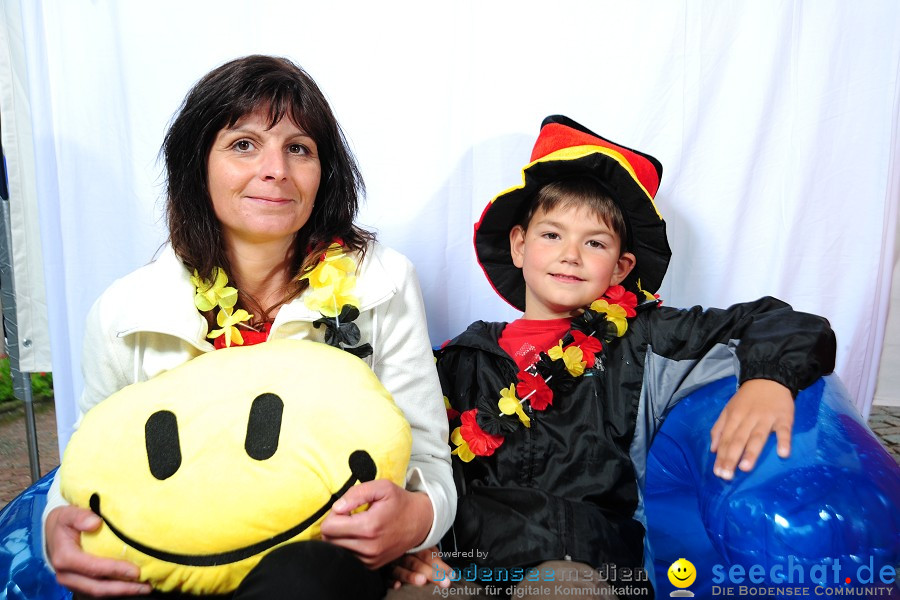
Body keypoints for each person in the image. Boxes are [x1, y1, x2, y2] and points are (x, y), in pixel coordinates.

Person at [41, 55, 455, 599]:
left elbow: (427, 461)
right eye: (243, 144)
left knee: (308, 576)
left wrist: (417, 519)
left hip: (317, 560)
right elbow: (91, 454)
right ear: (197, 166)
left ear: (323, 172)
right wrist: (56, 528)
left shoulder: (382, 282)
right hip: (170, 561)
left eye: (298, 148)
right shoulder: (126, 311)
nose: (276, 169)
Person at [387, 115, 837, 600]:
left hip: (582, 565)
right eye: (552, 235)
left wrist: (767, 380)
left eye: (595, 242)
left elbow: (784, 321)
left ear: (621, 267)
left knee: (560, 589)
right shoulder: (461, 359)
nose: (570, 255)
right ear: (519, 245)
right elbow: (416, 455)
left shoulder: (644, 339)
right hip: (466, 566)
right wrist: (416, 540)